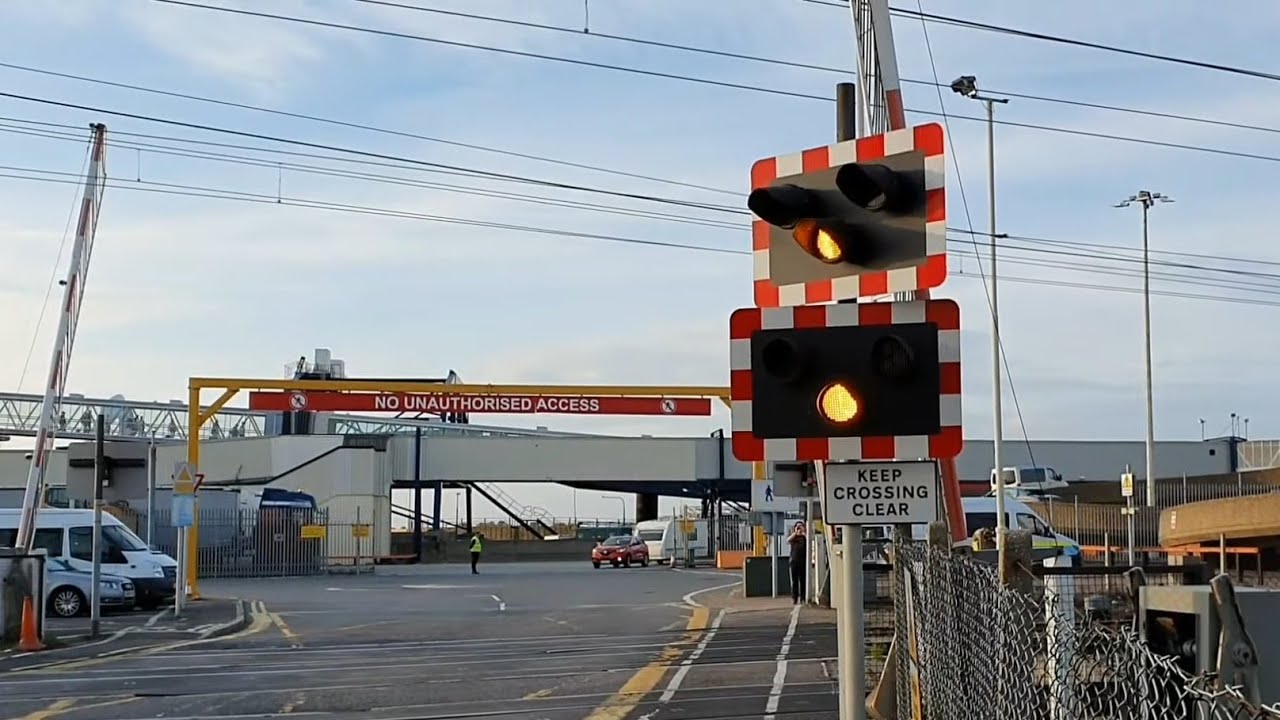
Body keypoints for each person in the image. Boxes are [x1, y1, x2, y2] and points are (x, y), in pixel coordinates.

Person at [787, 521, 807, 605]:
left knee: (803, 580)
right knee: (794, 581)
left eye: (800, 526)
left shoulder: (804, 537)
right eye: (797, 526)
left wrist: (803, 532)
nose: (799, 528)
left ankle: (803, 597)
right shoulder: (793, 537)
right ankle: (794, 598)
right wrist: (795, 533)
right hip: (794, 561)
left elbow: (810, 540)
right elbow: (788, 540)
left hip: (803, 561)